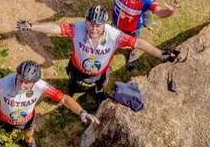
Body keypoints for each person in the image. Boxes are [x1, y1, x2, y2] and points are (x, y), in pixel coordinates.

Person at [16, 6, 182, 101]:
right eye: (91, 24)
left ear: (105, 24)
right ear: (86, 21)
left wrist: (162, 54)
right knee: (74, 82)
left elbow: (138, 42)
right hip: (77, 67)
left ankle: (98, 92)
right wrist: (32, 26)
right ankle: (73, 88)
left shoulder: (113, 34)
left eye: (98, 25)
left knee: (100, 85)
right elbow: (57, 28)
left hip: (101, 72)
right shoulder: (77, 28)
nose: (93, 29)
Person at [88, 0, 180, 67]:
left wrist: (170, 11)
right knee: (106, 42)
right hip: (115, 25)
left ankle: (134, 52)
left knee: (136, 45)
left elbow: (161, 13)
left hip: (134, 30)